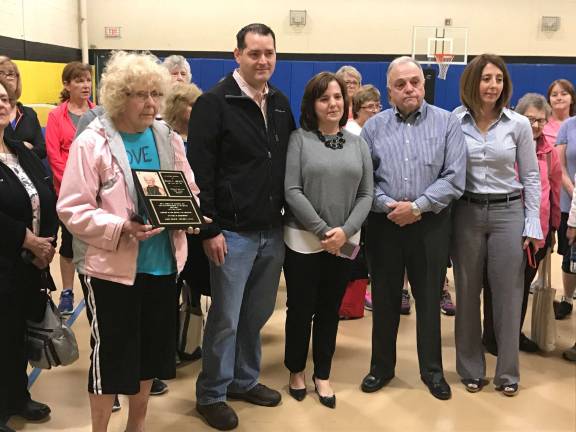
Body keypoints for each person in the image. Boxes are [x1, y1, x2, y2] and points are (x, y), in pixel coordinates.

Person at [57, 51, 201, 432]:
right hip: (111, 271)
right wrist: (121, 227)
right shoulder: (93, 142)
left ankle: (135, 427)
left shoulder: (168, 137)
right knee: (112, 361)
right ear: (120, 95)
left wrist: (189, 213)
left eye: (157, 93)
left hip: (162, 265)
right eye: (140, 94)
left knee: (149, 360)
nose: (151, 103)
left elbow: (189, 189)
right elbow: (71, 208)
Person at [187, 23, 295, 431]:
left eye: (269, 53)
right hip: (230, 232)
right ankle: (212, 392)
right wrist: (208, 228)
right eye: (254, 53)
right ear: (237, 55)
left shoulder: (281, 104)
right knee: (226, 318)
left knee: (256, 313)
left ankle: (244, 379)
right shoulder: (214, 103)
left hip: (272, 229)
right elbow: (200, 171)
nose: (262, 60)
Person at [360, 56, 466, 401]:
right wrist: (390, 206)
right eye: (401, 84)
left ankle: (432, 371)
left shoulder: (447, 123)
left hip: (430, 226)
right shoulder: (373, 128)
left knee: (428, 298)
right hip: (385, 224)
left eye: (415, 82)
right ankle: (381, 368)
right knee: (387, 300)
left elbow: (454, 178)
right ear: (389, 91)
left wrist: (417, 207)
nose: (410, 89)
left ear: (424, 84)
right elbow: (365, 180)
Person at [452, 54, 542, 397]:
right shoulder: (454, 122)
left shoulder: (518, 124)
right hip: (467, 213)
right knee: (467, 291)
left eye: (499, 79)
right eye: (486, 78)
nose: (493, 85)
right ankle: (471, 369)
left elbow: (531, 176)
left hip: (508, 213)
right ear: (472, 82)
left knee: (508, 296)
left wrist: (532, 223)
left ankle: (508, 373)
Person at [283, 72, 373, 408]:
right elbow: (292, 190)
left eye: (337, 97)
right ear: (313, 104)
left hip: (345, 242)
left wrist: (345, 232)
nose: (333, 103)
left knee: (329, 310)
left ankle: (322, 373)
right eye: (324, 98)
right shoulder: (299, 140)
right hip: (303, 239)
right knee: (300, 308)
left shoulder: (358, 143)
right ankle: (295, 370)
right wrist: (323, 230)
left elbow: (367, 193)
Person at [482, 93, 561, 354]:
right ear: (517, 116)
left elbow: (555, 189)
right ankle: (491, 336)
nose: (536, 126)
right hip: (508, 226)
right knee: (496, 284)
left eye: (541, 121)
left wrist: (553, 228)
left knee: (522, 286)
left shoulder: (550, 151)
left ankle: (513, 335)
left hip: (537, 233)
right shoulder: (507, 144)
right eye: (530, 119)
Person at [0, 77, 57, 432]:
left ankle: (17, 396)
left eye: (4, 98)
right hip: (5, 257)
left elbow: (46, 194)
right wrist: (25, 238)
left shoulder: (20, 149)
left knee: (16, 334)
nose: (1, 103)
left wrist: (46, 245)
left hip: (28, 263)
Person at [45, 61, 94, 314]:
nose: (85, 85)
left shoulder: (99, 113)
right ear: (67, 84)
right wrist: (76, 186)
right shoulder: (56, 116)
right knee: (69, 244)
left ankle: (93, 284)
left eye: (87, 80)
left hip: (95, 192)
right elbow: (54, 156)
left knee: (92, 242)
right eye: (79, 80)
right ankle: (67, 290)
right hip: (67, 192)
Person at [550, 79, 576, 319]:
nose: (559, 97)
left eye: (564, 94)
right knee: (569, 256)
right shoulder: (568, 126)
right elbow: (561, 166)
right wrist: (573, 192)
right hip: (570, 204)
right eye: (554, 94)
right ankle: (567, 298)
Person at [0, 57, 46, 159]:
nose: (6, 78)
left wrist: (16, 152)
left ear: (17, 79)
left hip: (29, 172)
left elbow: (42, 150)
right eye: (1, 73)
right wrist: (23, 146)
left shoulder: (30, 114)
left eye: (11, 74)